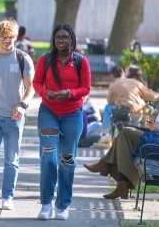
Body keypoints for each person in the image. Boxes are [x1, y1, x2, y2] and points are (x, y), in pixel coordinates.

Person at [84, 81, 159, 199]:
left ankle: (106, 166)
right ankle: (120, 183)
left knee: (125, 134)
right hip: (157, 143)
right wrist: (155, 124)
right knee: (124, 137)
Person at [33, 24, 91, 221]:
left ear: (71, 39)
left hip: (72, 114)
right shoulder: (45, 59)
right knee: (48, 157)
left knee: (67, 160)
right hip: (48, 111)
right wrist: (44, 93)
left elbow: (86, 88)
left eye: (65, 37)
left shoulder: (81, 61)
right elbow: (36, 82)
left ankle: (62, 205)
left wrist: (70, 93)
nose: (61, 40)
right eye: (57, 37)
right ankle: (46, 204)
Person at [0, 19, 35, 211]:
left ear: (15, 37)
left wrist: (22, 105)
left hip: (14, 117)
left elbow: (30, 88)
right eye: (3, 37)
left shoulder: (22, 58)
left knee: (11, 159)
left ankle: (7, 197)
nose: (6, 40)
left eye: (10, 37)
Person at [99, 65, 159, 146]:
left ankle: (106, 133)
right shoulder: (135, 82)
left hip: (123, 115)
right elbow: (151, 95)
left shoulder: (113, 85)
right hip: (138, 114)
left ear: (112, 76)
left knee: (107, 107)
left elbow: (110, 101)